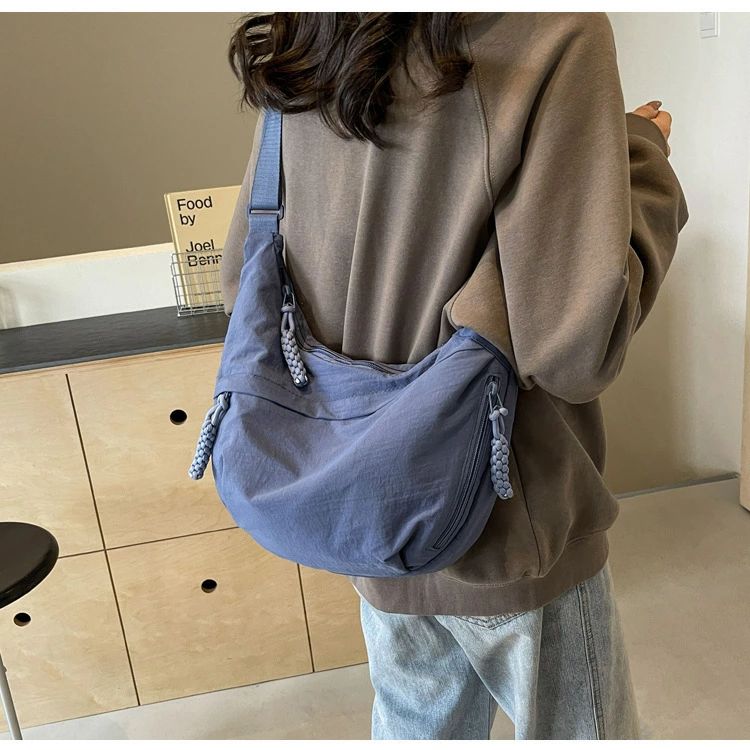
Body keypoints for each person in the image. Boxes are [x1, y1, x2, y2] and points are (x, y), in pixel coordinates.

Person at [220, 12, 688, 740]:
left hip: (372, 514)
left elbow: (241, 279)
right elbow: (574, 347)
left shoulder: (307, 37)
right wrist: (640, 162)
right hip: (507, 521)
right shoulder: (552, 32)